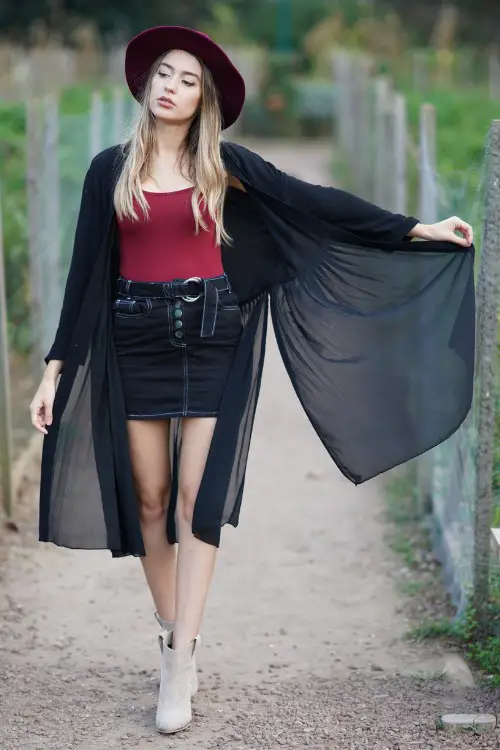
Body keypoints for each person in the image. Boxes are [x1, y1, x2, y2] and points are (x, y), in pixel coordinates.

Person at [29, 26, 475, 736]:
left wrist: (414, 229)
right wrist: (57, 368)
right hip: (134, 336)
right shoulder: (107, 170)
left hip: (212, 335)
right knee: (148, 501)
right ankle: (169, 627)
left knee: (192, 499)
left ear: (202, 99)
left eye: (187, 79)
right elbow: (85, 274)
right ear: (145, 86)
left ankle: (181, 658)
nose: (170, 85)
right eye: (163, 74)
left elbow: (314, 202)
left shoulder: (223, 165)